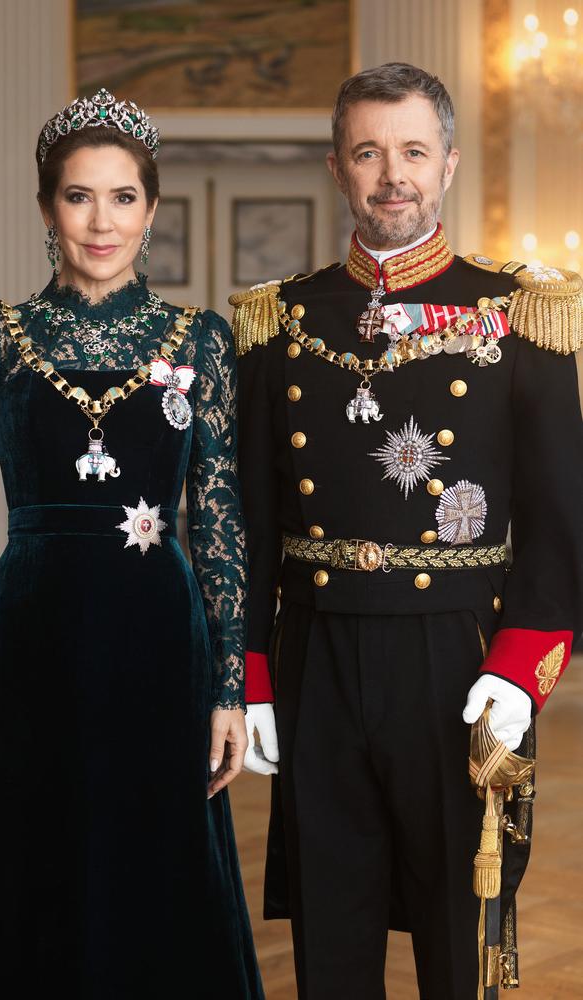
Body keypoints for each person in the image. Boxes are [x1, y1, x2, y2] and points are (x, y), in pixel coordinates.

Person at [232, 63, 583, 999]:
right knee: (331, 941)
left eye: (414, 151)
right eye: (369, 151)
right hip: (315, 653)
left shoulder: (520, 313)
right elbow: (253, 521)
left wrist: (521, 667)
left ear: (450, 164)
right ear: (339, 168)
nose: (393, 173)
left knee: (456, 941)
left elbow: (559, 522)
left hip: (458, 658)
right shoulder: (280, 320)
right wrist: (251, 673)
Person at [0, 89, 264, 1000]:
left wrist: (230, 684)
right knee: (24, 871)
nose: (101, 220)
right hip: (27, 646)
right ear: (48, 208)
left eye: (123, 197)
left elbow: (221, 515)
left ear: (151, 208)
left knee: (154, 868)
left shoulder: (200, 339)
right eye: (79, 197)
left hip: (161, 642)